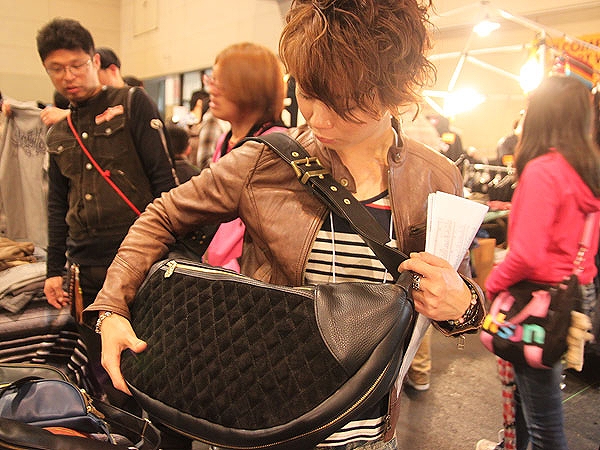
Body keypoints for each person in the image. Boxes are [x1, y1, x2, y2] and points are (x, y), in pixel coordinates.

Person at [86, 1, 485, 449]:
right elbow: (162, 215)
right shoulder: (265, 161)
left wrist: (462, 304)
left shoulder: (435, 177)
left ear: (394, 90)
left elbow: (459, 294)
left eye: (346, 104)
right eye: (308, 94)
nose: (319, 118)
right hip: (262, 419)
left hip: (368, 433)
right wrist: (112, 310)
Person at [36, 14, 177, 420]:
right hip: (87, 267)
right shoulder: (58, 132)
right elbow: (57, 205)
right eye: (56, 69)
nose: (68, 77)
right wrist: (53, 270)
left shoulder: (131, 103)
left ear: (95, 60)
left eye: (76, 65)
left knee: (156, 364)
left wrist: (177, 251)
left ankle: (165, 436)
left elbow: (165, 182)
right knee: (106, 371)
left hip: (141, 260)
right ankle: (122, 434)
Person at [479, 76, 600, 450]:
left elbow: (526, 254)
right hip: (576, 294)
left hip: (539, 299)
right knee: (531, 394)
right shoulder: (586, 170)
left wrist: (492, 282)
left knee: (545, 423)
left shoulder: (543, 171)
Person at [202, 42, 288, 272]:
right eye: (212, 80)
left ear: (250, 87)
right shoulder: (226, 139)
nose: (211, 90)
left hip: (247, 274)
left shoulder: (276, 145)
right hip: (216, 266)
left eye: (221, 83)